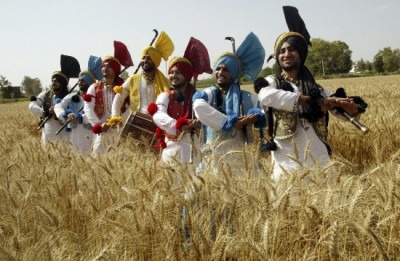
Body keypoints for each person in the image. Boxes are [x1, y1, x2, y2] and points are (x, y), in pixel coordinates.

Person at [258, 6, 368, 180]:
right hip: (286, 164)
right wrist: (309, 101)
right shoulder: (273, 82)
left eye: (292, 49)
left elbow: (341, 112)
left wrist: (351, 108)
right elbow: (265, 96)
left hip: (318, 161)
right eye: (282, 51)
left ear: (301, 53)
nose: (286, 54)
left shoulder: (317, 88)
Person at [192, 32, 265, 173]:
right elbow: (198, 107)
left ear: (235, 73)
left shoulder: (247, 97)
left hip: (240, 158)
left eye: (226, 70)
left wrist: (254, 115)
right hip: (214, 159)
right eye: (218, 68)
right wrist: (230, 123)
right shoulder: (209, 93)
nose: (220, 72)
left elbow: (264, 109)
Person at [111, 31, 174, 117]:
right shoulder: (133, 79)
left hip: (157, 123)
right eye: (143, 58)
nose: (145, 61)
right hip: (135, 122)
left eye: (149, 58)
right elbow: (118, 98)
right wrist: (114, 116)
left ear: (156, 61)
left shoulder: (165, 82)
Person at [54, 56, 102, 156]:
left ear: (89, 82)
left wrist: (80, 117)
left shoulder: (97, 98)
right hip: (74, 134)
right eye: (79, 80)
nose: (80, 82)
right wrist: (65, 114)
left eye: (83, 80)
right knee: (75, 156)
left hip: (91, 133)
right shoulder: (71, 96)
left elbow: (98, 115)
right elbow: (58, 106)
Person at [83, 53, 130, 155]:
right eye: (103, 66)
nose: (105, 68)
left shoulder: (123, 87)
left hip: (119, 130)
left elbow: (129, 107)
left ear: (115, 69)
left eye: (108, 66)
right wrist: (98, 125)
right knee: (98, 159)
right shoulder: (94, 87)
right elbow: (88, 108)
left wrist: (120, 121)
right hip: (102, 130)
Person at [29, 55, 80, 145]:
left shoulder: (70, 97)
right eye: (53, 80)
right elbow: (32, 105)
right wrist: (44, 112)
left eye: (57, 81)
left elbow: (75, 113)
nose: (54, 82)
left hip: (64, 133)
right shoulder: (45, 94)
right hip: (48, 133)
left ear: (63, 82)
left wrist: (59, 112)